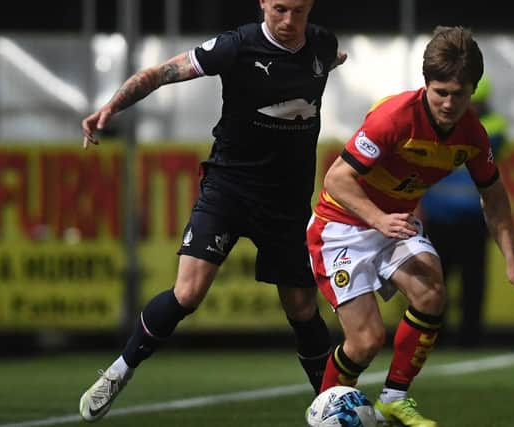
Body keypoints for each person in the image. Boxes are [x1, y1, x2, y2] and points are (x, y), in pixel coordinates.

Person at [79, 0, 347, 422]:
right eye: (279, 9)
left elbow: (322, 65)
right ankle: (119, 370)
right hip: (230, 188)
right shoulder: (235, 46)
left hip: (287, 202)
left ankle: (333, 405)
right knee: (188, 293)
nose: (289, 21)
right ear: (263, 3)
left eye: (298, 11)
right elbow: (158, 74)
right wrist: (112, 107)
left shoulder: (322, 44)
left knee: (301, 309)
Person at [306, 26, 514, 427]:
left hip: (394, 224)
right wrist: (379, 218)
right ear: (426, 85)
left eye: (460, 93)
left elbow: (495, 196)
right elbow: (336, 179)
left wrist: (513, 260)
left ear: (473, 90)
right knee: (365, 342)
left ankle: (394, 399)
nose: (450, 103)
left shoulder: (472, 133)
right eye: (441, 92)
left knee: (432, 288)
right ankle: (326, 415)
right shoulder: (395, 118)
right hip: (342, 227)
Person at [418, 75, 508, 347]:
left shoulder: (490, 129)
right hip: (438, 216)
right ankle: (433, 337)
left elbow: (486, 140)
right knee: (436, 281)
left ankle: (470, 337)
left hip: (472, 218)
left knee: (472, 283)